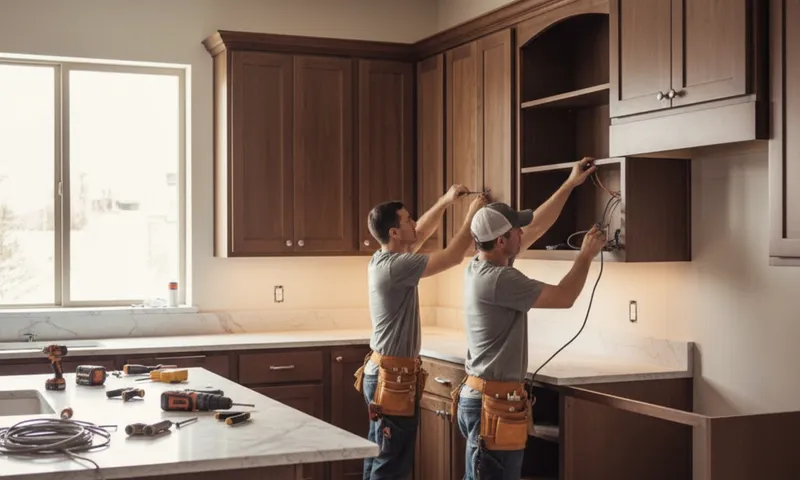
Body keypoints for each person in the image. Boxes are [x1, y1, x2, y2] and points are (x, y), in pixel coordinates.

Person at [454, 157, 607, 480]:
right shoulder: (500, 279)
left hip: (483, 397)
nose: (523, 233)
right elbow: (565, 297)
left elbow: (537, 224)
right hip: (491, 403)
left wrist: (570, 183)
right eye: (515, 231)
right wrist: (586, 255)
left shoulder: (481, 264)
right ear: (501, 241)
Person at [355, 185, 490, 480]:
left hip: (382, 373)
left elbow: (421, 232)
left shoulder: (384, 259)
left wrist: (445, 200)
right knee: (391, 464)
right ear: (394, 232)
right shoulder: (397, 266)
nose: (414, 223)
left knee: (379, 455)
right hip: (392, 380)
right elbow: (453, 256)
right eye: (407, 220)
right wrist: (471, 215)